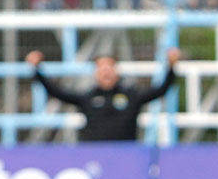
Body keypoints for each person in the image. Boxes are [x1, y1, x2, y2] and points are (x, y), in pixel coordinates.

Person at [26, 47, 180, 142]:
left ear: (116, 71)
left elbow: (161, 90)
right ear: (96, 72)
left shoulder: (132, 95)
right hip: (96, 157)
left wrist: (171, 67)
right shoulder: (87, 97)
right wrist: (37, 70)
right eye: (101, 67)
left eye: (109, 66)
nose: (106, 71)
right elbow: (57, 92)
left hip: (127, 157)